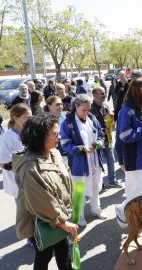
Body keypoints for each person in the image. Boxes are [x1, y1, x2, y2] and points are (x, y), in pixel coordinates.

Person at [14, 114, 78, 270]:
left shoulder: (53, 152)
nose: (60, 137)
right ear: (40, 137)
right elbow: (42, 202)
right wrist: (62, 221)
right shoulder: (30, 168)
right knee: (44, 255)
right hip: (45, 221)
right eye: (55, 134)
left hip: (59, 218)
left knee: (64, 251)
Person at [60, 94, 107, 227]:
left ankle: (96, 209)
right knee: (79, 190)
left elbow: (101, 134)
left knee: (95, 185)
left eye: (88, 109)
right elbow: (65, 143)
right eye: (84, 110)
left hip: (94, 159)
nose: (86, 112)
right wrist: (80, 148)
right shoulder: (68, 123)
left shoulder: (92, 118)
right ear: (76, 106)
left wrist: (99, 143)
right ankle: (77, 216)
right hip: (79, 163)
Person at [115, 78, 142, 228]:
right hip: (135, 157)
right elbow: (125, 135)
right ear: (137, 91)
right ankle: (122, 210)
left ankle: (141, 212)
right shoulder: (126, 110)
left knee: (135, 187)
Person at [0, 104, 32, 200]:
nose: (30, 120)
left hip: (33, 181)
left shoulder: (30, 132)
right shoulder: (7, 138)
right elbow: (3, 163)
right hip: (19, 184)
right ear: (16, 119)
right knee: (25, 213)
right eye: (27, 118)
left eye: (31, 117)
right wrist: (23, 167)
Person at [90, 87, 122, 189]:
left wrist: (112, 124)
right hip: (95, 141)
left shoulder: (106, 106)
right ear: (94, 95)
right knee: (97, 163)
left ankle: (112, 181)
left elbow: (109, 119)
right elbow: (89, 127)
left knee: (111, 160)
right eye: (101, 94)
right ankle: (100, 184)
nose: (104, 95)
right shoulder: (90, 109)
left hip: (108, 139)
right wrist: (103, 130)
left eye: (104, 93)